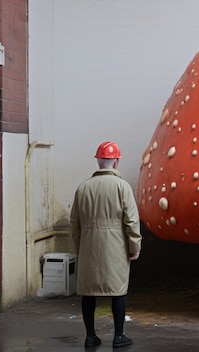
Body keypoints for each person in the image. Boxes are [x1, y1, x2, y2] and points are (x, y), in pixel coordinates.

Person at [70, 141, 142, 349]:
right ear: (117, 162)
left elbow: (74, 224)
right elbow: (132, 221)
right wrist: (134, 246)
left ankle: (90, 336)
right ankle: (119, 336)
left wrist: (79, 249)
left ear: (98, 161)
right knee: (118, 290)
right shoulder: (122, 187)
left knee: (88, 292)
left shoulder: (83, 188)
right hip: (115, 246)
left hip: (89, 246)